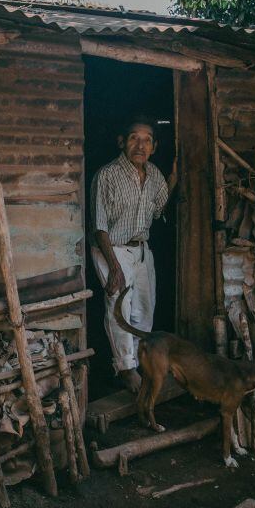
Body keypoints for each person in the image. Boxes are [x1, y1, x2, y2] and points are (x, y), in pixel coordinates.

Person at [91, 115, 176, 392]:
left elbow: (159, 210)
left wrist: (174, 178)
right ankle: (126, 370)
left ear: (154, 147)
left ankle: (140, 363)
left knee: (143, 310)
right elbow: (99, 227)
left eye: (147, 140)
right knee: (119, 307)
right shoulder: (107, 175)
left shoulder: (154, 176)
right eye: (133, 138)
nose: (140, 145)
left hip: (141, 251)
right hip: (112, 249)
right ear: (121, 142)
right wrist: (114, 267)